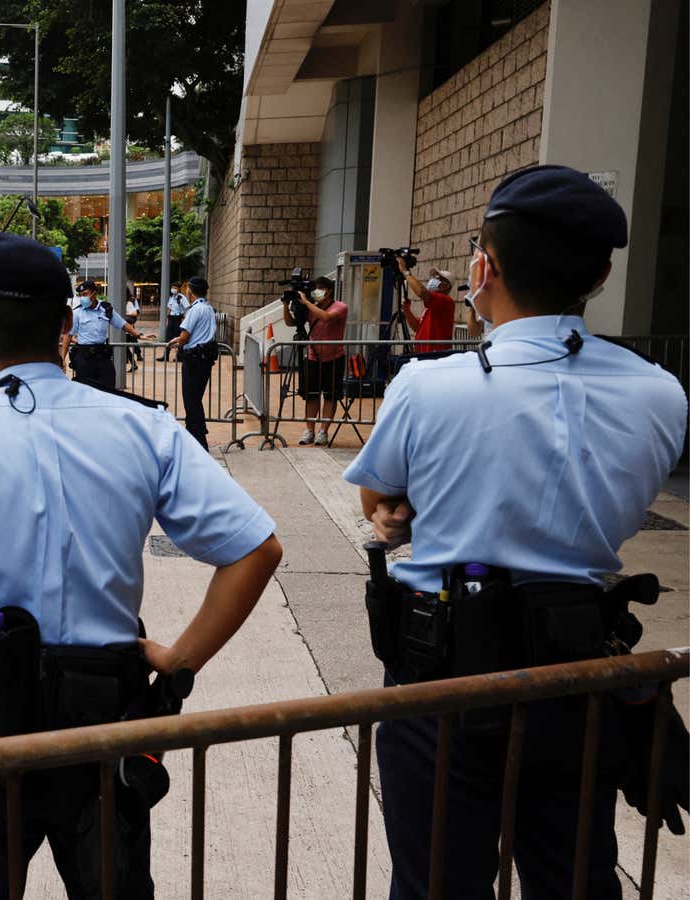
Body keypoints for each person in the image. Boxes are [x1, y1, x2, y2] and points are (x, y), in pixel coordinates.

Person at [0, 232, 283, 900]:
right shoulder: (145, 429)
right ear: (68, 327)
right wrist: (180, 658)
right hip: (105, 729)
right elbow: (257, 548)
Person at [343, 165, 689, 900]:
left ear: (483, 267)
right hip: (577, 675)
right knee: (575, 881)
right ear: (598, 276)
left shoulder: (428, 385)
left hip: (438, 681)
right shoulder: (661, 393)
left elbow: (381, 501)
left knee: (437, 882)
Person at [283, 275, 348, 445]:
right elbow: (291, 323)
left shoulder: (340, 307)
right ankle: (309, 430)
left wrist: (307, 303)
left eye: (320, 290)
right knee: (311, 396)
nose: (316, 293)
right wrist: (285, 305)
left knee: (330, 396)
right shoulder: (312, 307)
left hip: (334, 358)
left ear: (329, 291)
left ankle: (323, 431)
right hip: (313, 358)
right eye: (315, 290)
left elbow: (326, 317)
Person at [163, 276, 217, 446]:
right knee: (196, 399)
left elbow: (186, 335)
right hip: (205, 358)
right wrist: (177, 340)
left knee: (191, 401)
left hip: (194, 360)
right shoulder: (208, 308)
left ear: (190, 291)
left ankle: (198, 440)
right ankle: (196, 434)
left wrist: (178, 341)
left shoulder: (196, 309)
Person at [69, 279, 147, 391]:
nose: (83, 298)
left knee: (108, 387)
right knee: (84, 391)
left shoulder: (105, 309)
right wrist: (62, 358)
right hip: (84, 356)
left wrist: (138, 335)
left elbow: (122, 323)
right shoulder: (77, 312)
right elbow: (68, 335)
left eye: (85, 294)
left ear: (94, 294)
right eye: (81, 295)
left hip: (102, 356)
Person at [395, 258, 455, 351]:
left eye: (437, 278)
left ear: (446, 285)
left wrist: (405, 272)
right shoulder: (432, 305)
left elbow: (422, 292)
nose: (432, 280)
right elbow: (417, 327)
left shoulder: (446, 301)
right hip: (424, 354)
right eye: (433, 277)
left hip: (435, 356)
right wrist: (407, 310)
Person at [124, 287, 144, 372]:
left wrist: (124, 314)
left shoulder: (128, 303)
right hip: (125, 329)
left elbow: (135, 313)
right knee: (125, 348)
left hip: (127, 330)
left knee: (125, 347)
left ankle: (134, 362)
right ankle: (133, 363)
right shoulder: (123, 302)